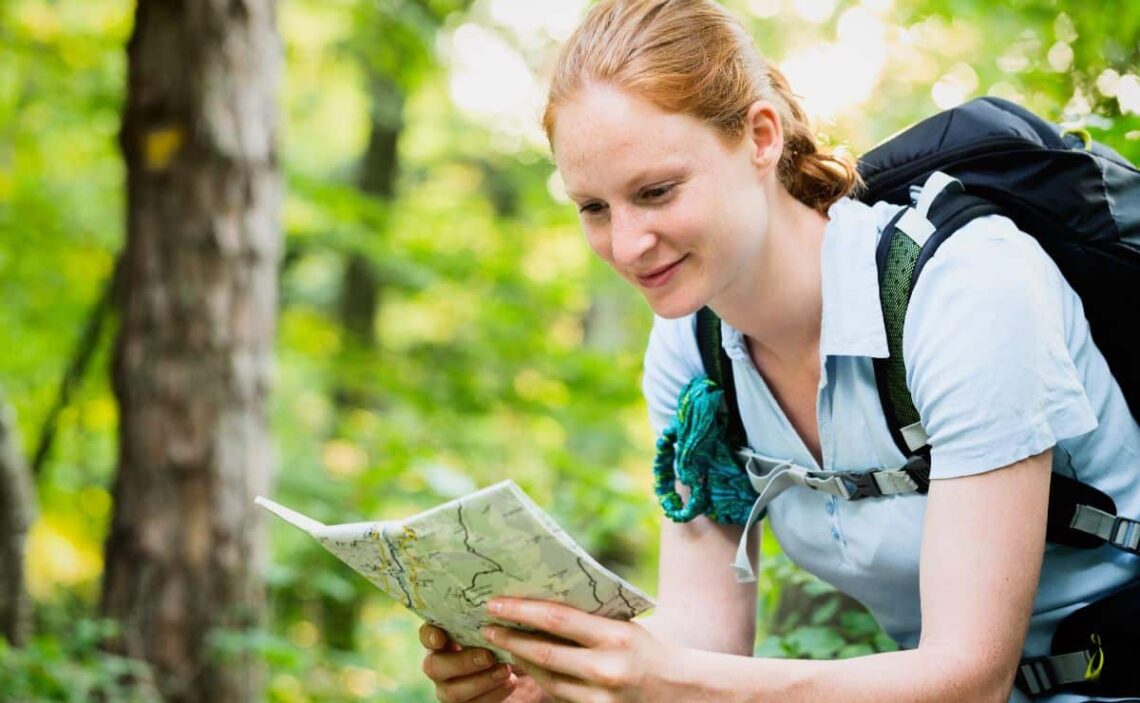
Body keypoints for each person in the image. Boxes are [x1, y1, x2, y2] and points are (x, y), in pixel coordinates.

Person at [418, 1, 1140, 701]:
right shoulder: (693, 348)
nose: (628, 244)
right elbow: (706, 644)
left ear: (761, 137)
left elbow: (967, 679)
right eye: (594, 208)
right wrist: (562, 678)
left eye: (657, 191)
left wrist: (666, 681)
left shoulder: (964, 283)